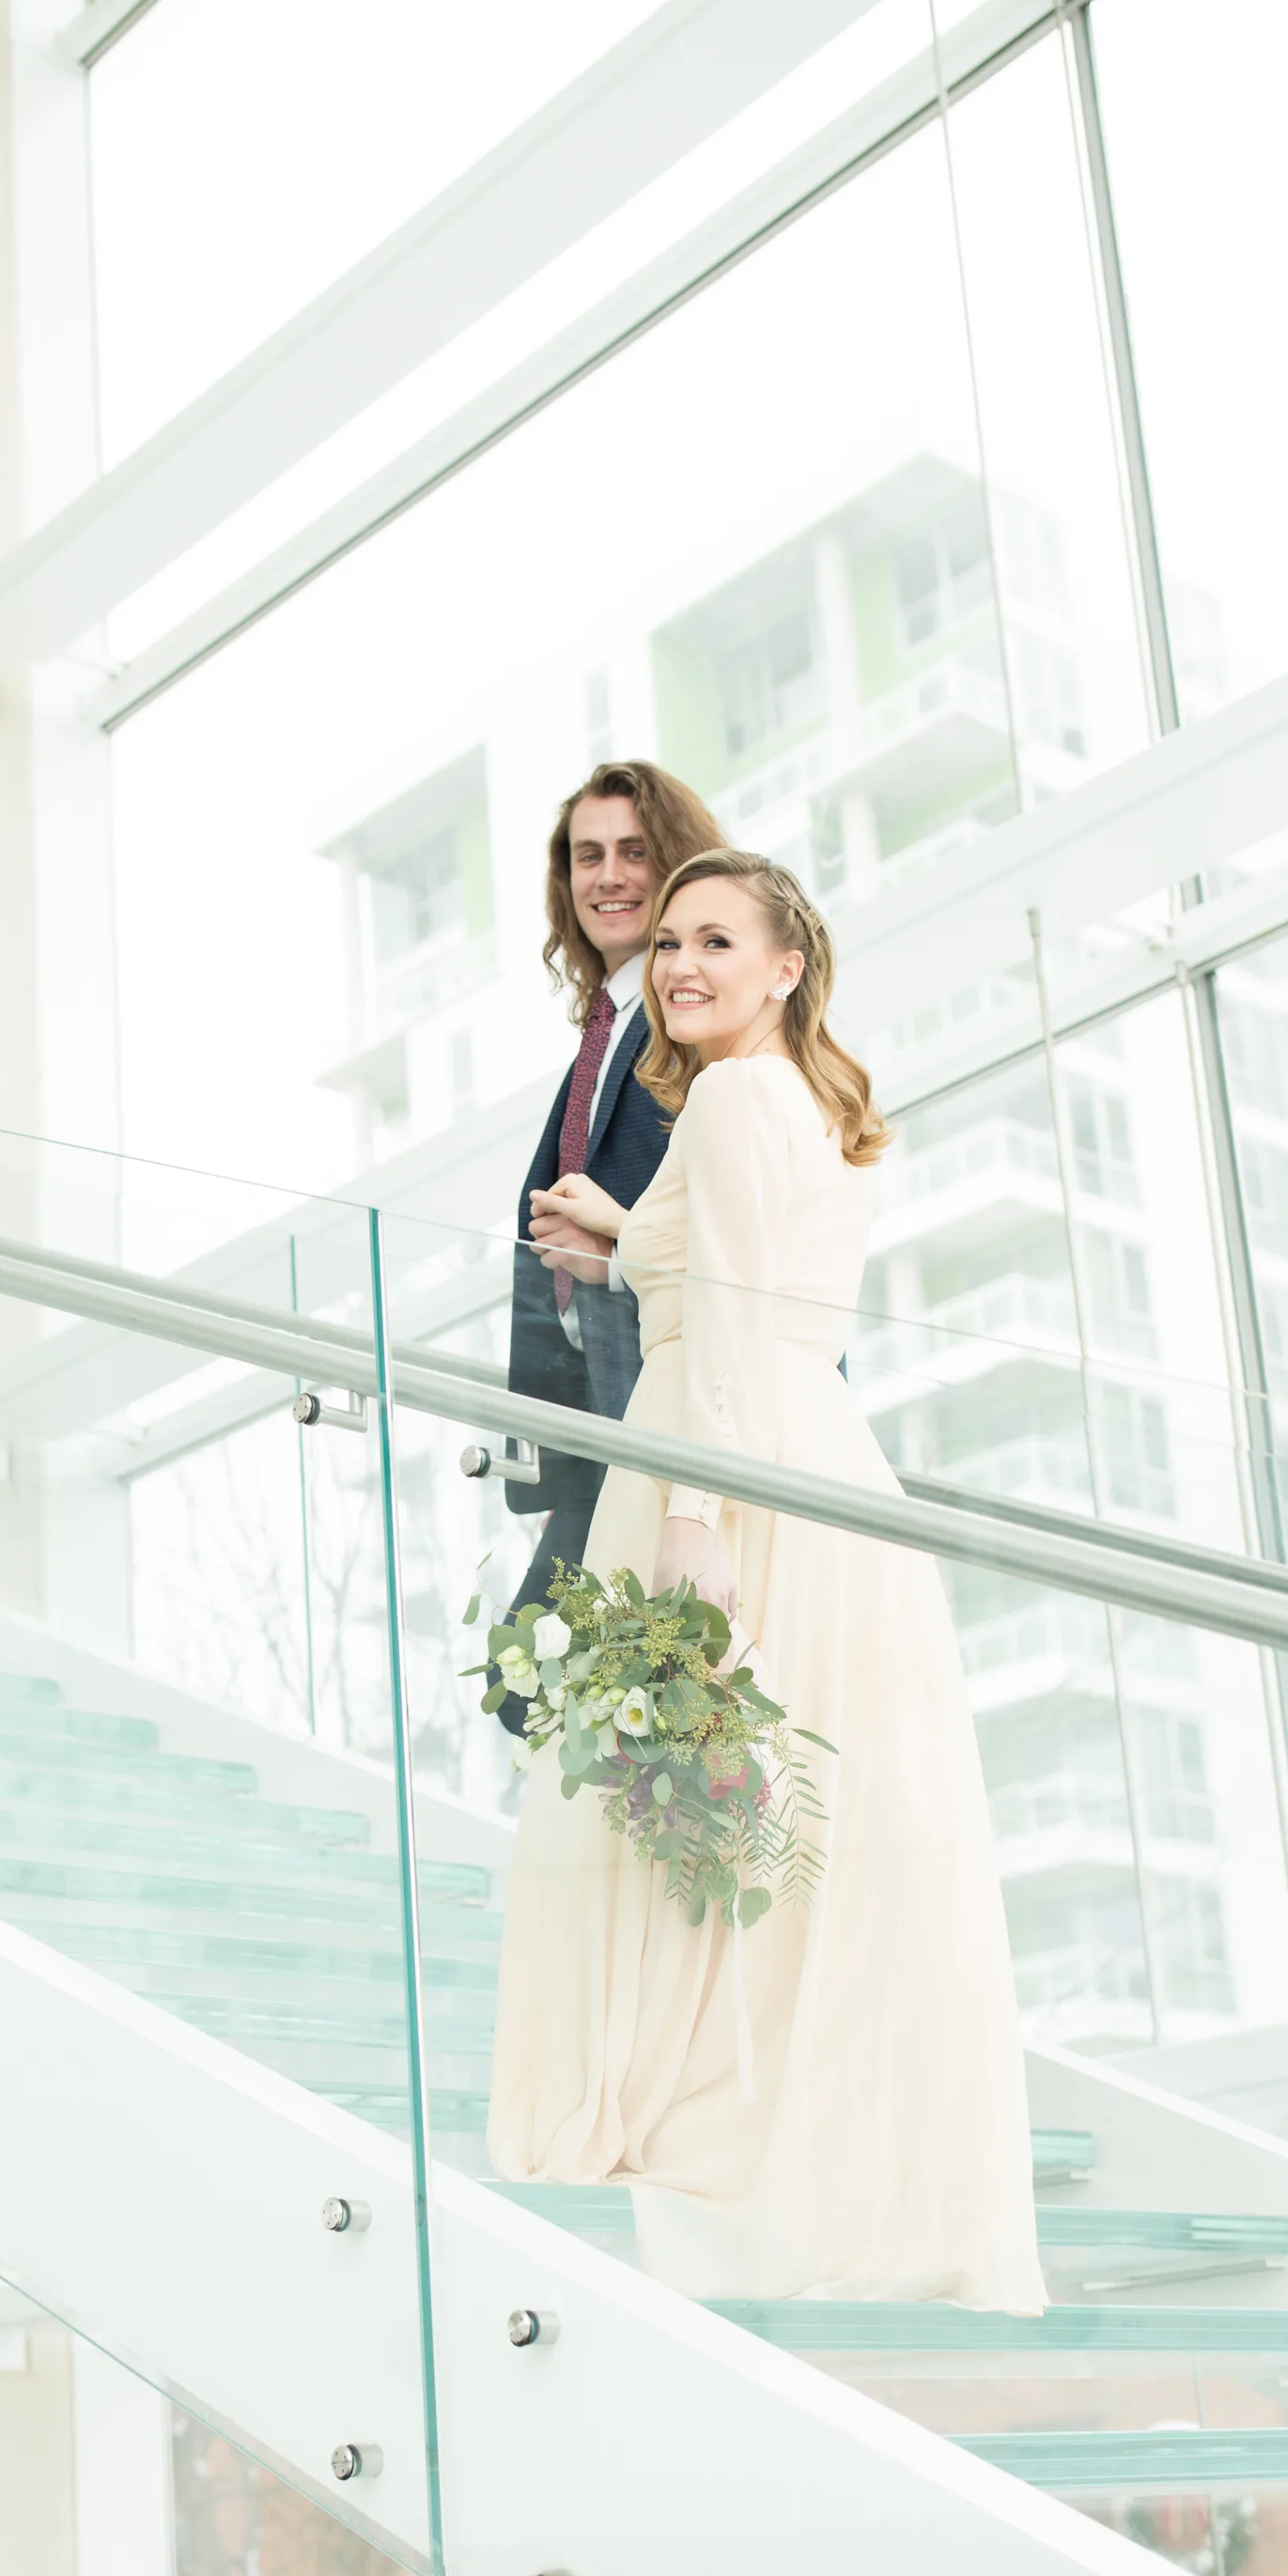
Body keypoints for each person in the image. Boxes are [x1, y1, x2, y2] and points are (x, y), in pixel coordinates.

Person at [489, 849, 1045, 2314]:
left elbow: (729, 1317)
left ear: (786, 965)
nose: (680, 966)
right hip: (808, 1445)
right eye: (670, 943)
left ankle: (692, 2113)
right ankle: (797, 2138)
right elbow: (750, 1275)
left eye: (715, 942)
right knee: (776, 1811)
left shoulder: (734, 1097)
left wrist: (694, 1521)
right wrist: (629, 1238)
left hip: (720, 1454)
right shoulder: (811, 1101)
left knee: (693, 1796)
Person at [497, 762, 725, 1715]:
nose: (610, 876)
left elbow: (730, 1229)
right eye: (587, 856)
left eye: (636, 851)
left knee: (568, 1706)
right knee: (537, 1697)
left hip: (670, 1411)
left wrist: (619, 1257)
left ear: (680, 867)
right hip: (599, 1419)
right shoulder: (608, 1028)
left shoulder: (692, 1022)